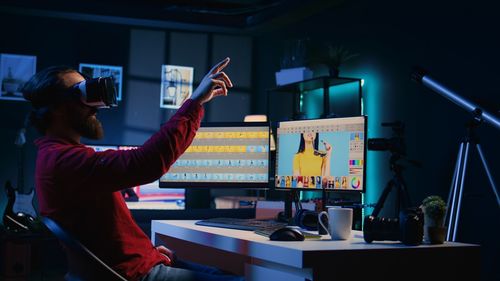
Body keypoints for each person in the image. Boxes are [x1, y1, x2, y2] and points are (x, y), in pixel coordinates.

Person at [23, 58, 244, 281]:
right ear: (57, 110)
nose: (95, 106)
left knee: (225, 274)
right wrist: (195, 102)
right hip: (134, 275)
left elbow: (103, 233)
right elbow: (147, 162)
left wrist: (148, 252)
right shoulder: (64, 161)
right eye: (82, 94)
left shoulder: (57, 156)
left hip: (137, 264)